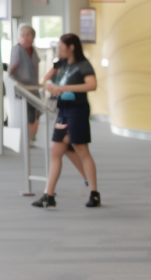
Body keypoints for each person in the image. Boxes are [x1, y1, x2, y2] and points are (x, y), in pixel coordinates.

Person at [32, 33, 101, 208]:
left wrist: (63, 88)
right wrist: (50, 86)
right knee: (56, 151)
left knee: (81, 149)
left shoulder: (83, 65)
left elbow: (92, 85)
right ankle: (49, 196)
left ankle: (94, 193)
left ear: (71, 47)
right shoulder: (60, 64)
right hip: (63, 110)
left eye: (61, 45)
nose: (58, 49)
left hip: (77, 110)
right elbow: (46, 80)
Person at [8, 24, 41, 142]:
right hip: (22, 88)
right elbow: (11, 69)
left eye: (28, 35)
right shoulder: (17, 49)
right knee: (27, 113)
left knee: (36, 112)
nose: (25, 37)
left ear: (33, 37)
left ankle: (31, 137)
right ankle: (27, 139)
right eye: (23, 35)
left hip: (33, 87)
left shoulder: (33, 51)